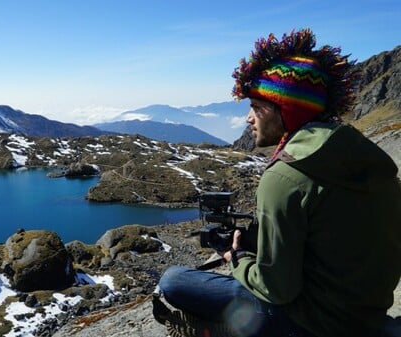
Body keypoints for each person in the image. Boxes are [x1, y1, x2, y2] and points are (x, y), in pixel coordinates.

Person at [154, 28, 401, 337]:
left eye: (257, 108)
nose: (248, 118)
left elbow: (278, 290)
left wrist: (238, 258)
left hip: (311, 324)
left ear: (286, 111)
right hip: (367, 314)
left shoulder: (284, 177)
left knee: (173, 281)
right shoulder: (365, 157)